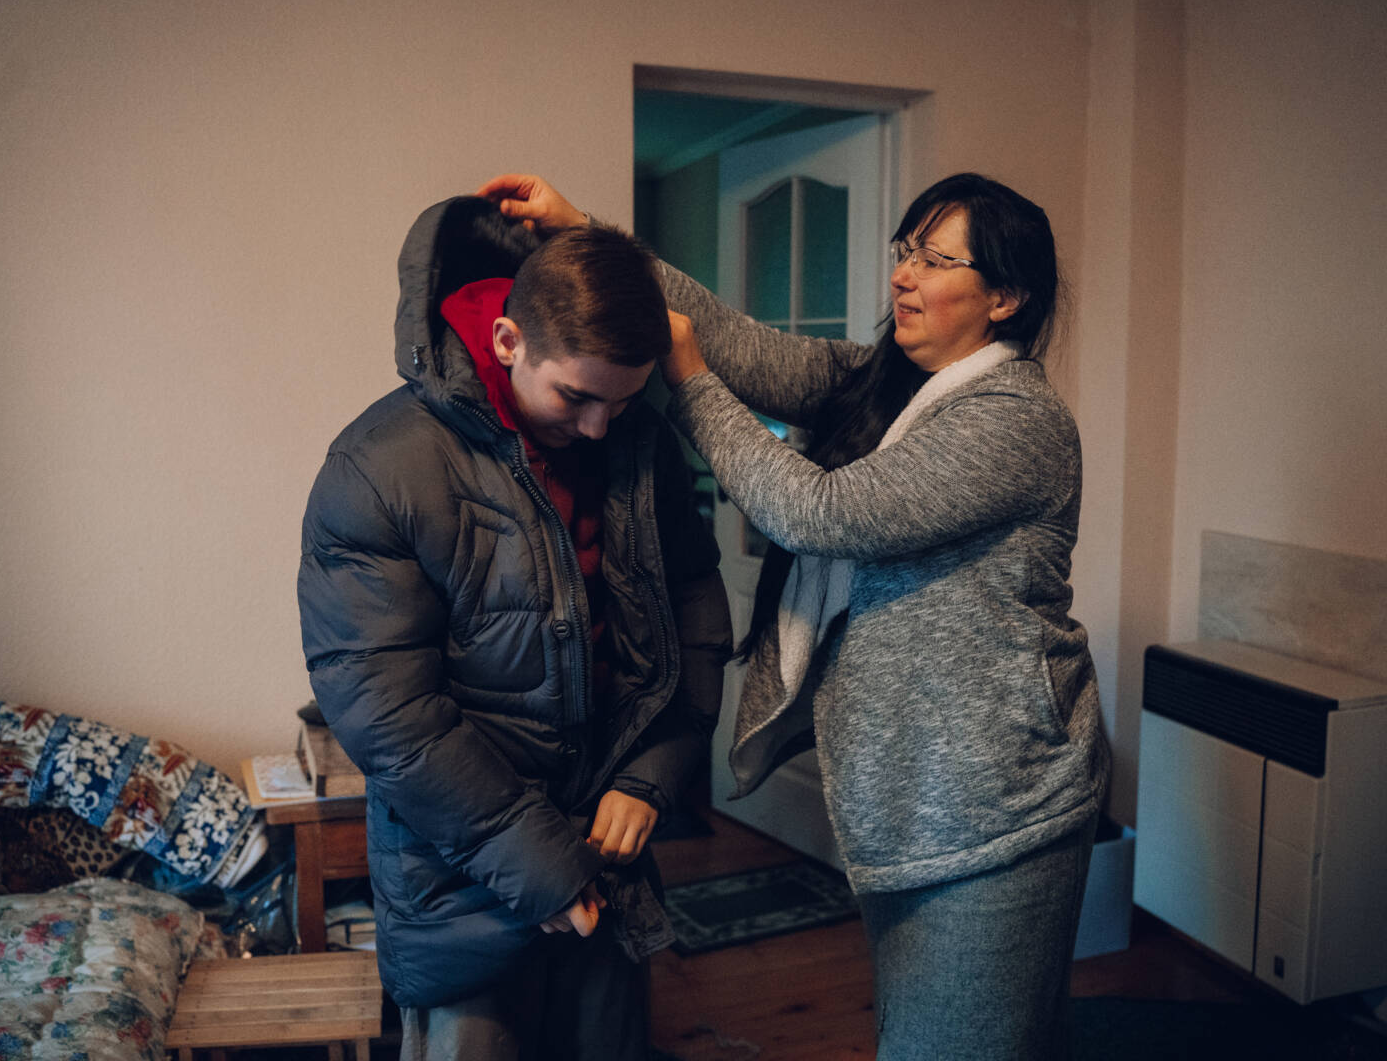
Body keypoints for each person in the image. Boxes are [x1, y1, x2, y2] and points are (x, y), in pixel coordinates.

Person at [479, 172, 1109, 1060]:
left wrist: (689, 382)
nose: (904, 276)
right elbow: (740, 344)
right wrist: (592, 237)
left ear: (1004, 297)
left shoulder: (1013, 419)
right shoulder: (889, 385)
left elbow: (819, 513)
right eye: (905, 252)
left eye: (935, 259)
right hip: (917, 795)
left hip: (994, 805)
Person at [296, 195, 732, 1061]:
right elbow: (390, 718)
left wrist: (653, 776)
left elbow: (696, 622)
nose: (599, 426)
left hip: (612, 863)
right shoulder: (377, 468)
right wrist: (544, 868)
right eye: (576, 397)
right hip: (462, 888)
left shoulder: (634, 438)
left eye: (624, 399)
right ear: (507, 342)